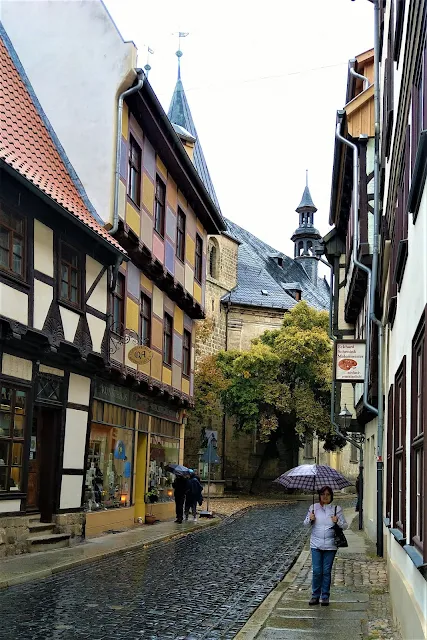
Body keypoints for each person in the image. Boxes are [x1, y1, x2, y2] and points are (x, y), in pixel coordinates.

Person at [303, 485, 348, 606]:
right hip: (316, 545)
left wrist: (337, 521)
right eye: (323, 494)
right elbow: (305, 524)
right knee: (317, 571)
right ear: (319, 495)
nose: (325, 497)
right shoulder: (313, 508)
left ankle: (325, 596)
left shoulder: (336, 509)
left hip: (330, 545)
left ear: (331, 496)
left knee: (326, 571)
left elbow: (345, 526)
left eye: (328, 494)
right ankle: (315, 595)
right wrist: (310, 519)